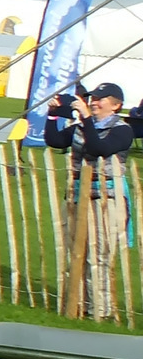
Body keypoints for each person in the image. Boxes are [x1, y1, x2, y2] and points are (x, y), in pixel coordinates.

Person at [44, 82, 134, 322]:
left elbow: (99, 148)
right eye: (93, 97)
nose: (94, 102)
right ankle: (77, 304)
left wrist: (84, 119)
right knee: (75, 253)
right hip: (75, 197)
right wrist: (52, 115)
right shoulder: (82, 126)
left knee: (99, 255)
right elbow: (55, 141)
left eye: (100, 99)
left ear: (116, 105)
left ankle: (99, 310)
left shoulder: (122, 130)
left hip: (105, 201)